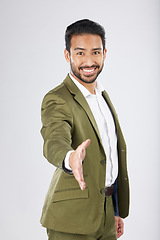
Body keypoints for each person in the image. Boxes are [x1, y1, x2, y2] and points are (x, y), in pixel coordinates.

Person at [40, 19, 129, 240]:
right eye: (80, 53)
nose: (89, 61)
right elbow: (54, 138)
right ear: (67, 55)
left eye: (95, 52)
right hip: (71, 220)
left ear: (104, 54)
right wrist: (70, 158)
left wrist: (114, 211)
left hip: (106, 214)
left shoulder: (102, 97)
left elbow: (109, 156)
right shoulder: (57, 99)